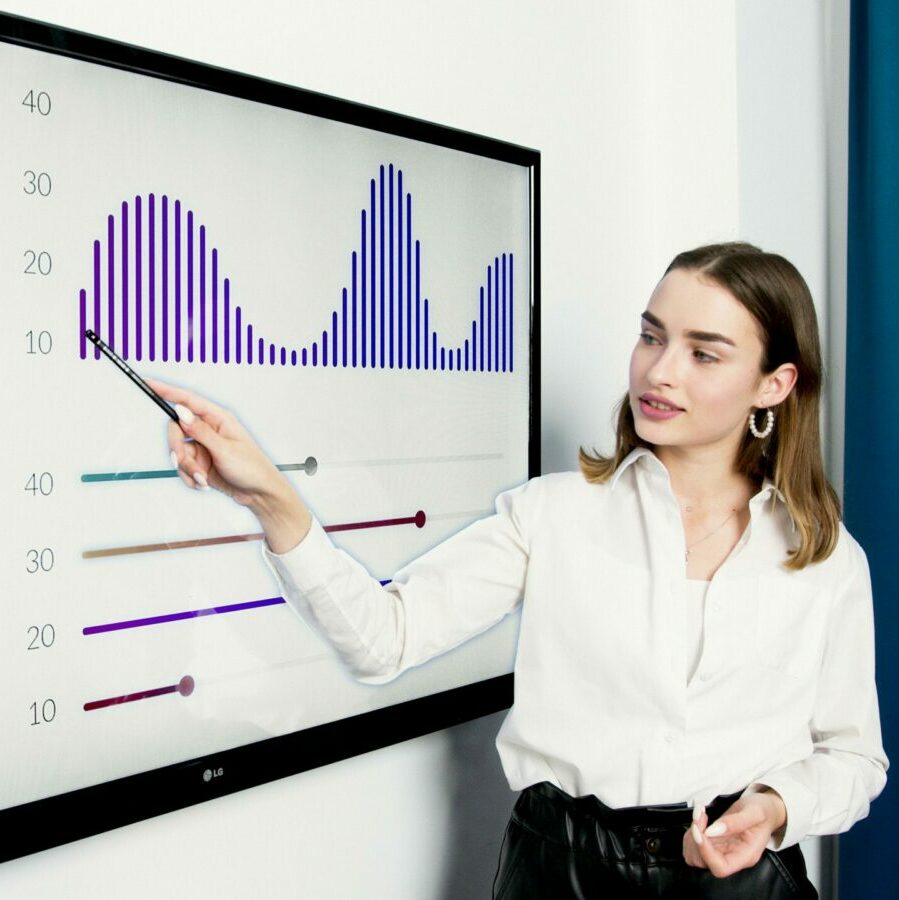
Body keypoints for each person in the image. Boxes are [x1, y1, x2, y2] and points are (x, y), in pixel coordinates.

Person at [150, 242, 888, 898]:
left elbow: (853, 759)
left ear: (774, 385)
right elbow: (382, 640)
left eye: (704, 352)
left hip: (741, 884)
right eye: (649, 335)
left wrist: (774, 807)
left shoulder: (824, 560)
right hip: (558, 870)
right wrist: (271, 498)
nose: (659, 371)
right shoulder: (552, 514)